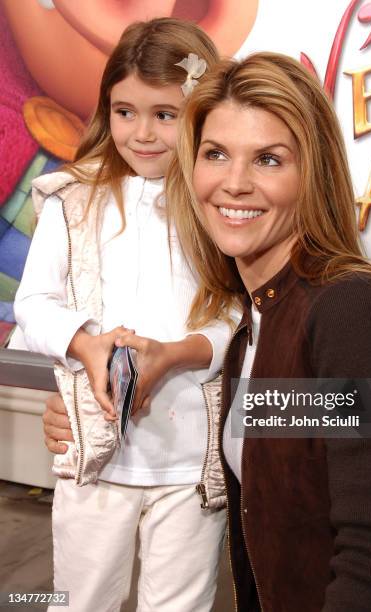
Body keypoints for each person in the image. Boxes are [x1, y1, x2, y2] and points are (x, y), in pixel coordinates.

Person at [164, 52, 371, 610]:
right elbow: (299, 462)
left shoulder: (355, 311)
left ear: (312, 174)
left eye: (267, 159)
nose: (234, 183)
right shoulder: (257, 322)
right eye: (216, 154)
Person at [14, 19, 231, 612]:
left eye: (165, 113)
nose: (143, 133)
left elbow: (238, 315)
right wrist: (86, 343)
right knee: (80, 601)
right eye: (125, 111)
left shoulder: (219, 206)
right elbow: (33, 303)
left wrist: (183, 352)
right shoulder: (72, 198)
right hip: (95, 461)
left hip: (191, 466)